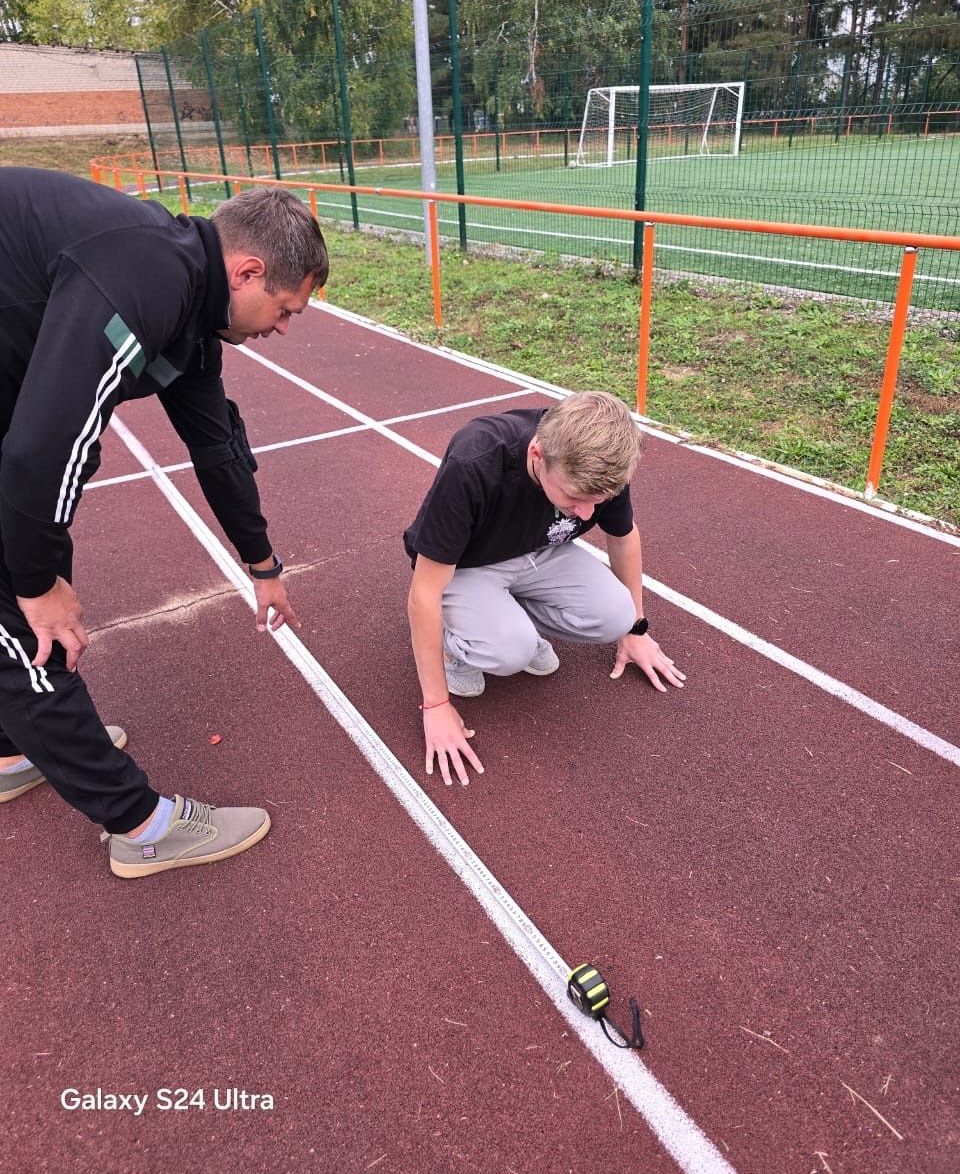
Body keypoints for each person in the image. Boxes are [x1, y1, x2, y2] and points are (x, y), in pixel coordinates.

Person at [0, 168, 328, 877]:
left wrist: (263, 565)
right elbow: (44, 446)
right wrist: (37, 580)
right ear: (247, 271)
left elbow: (216, 446)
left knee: (24, 581)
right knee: (22, 619)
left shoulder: (190, 311)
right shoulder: (145, 271)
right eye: (286, 309)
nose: (283, 328)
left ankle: (13, 749)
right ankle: (138, 825)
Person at [404, 391, 685, 787]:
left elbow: (623, 536)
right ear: (537, 453)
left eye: (598, 501)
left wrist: (637, 630)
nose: (588, 513)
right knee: (509, 653)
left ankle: (504, 614)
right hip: (467, 564)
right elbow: (424, 592)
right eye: (574, 498)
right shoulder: (475, 462)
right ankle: (458, 644)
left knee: (617, 616)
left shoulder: (602, 462)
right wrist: (435, 705)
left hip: (539, 551)